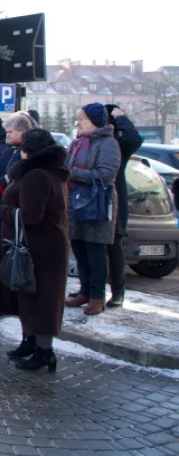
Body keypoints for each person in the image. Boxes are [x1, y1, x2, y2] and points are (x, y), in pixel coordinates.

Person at [0, 129, 70, 372]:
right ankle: (31, 343)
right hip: (38, 245)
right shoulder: (47, 172)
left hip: (40, 248)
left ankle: (44, 353)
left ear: (28, 150)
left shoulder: (37, 175)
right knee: (29, 297)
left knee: (42, 300)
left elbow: (30, 216)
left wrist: (1, 210)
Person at [65, 103, 121, 316]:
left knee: (95, 251)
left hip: (97, 203)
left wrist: (71, 173)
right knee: (79, 248)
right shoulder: (78, 142)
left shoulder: (107, 143)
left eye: (82, 118)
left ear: (95, 121)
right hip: (75, 202)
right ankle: (85, 291)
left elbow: (106, 174)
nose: (78, 122)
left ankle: (97, 296)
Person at [0, 112, 37, 266]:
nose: (7, 135)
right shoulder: (4, 148)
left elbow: (17, 171)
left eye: (10, 132)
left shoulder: (28, 151)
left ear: (22, 131)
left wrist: (4, 181)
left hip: (14, 196)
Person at [105, 105, 143, 308]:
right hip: (89, 201)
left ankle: (117, 292)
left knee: (114, 245)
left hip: (114, 200)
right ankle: (90, 290)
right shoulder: (91, 141)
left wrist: (120, 117)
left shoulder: (119, 144)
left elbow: (134, 139)